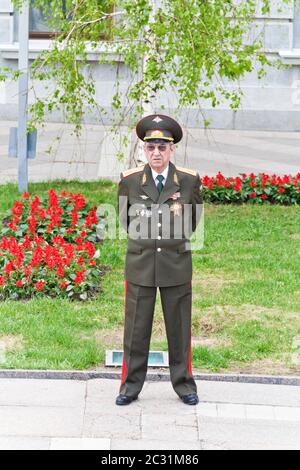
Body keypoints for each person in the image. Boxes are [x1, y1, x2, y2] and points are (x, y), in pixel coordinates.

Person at [116, 114, 203, 406]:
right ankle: (129, 386)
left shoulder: (189, 181)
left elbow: (192, 221)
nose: (156, 153)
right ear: (144, 149)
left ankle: (184, 385)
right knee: (135, 331)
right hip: (140, 265)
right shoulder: (129, 181)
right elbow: (126, 220)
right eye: (151, 147)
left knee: (179, 329)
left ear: (171, 150)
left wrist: (168, 242)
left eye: (162, 148)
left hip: (176, 266)